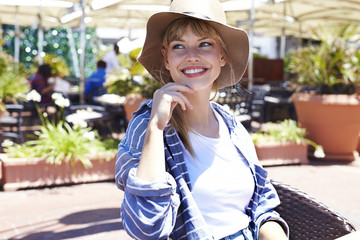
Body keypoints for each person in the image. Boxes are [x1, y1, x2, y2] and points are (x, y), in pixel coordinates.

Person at [115, 0, 289, 239]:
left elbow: (262, 206)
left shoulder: (231, 124)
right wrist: (156, 128)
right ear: (166, 58)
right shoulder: (147, 124)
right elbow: (146, 228)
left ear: (222, 56)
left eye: (204, 44)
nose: (192, 56)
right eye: (179, 46)